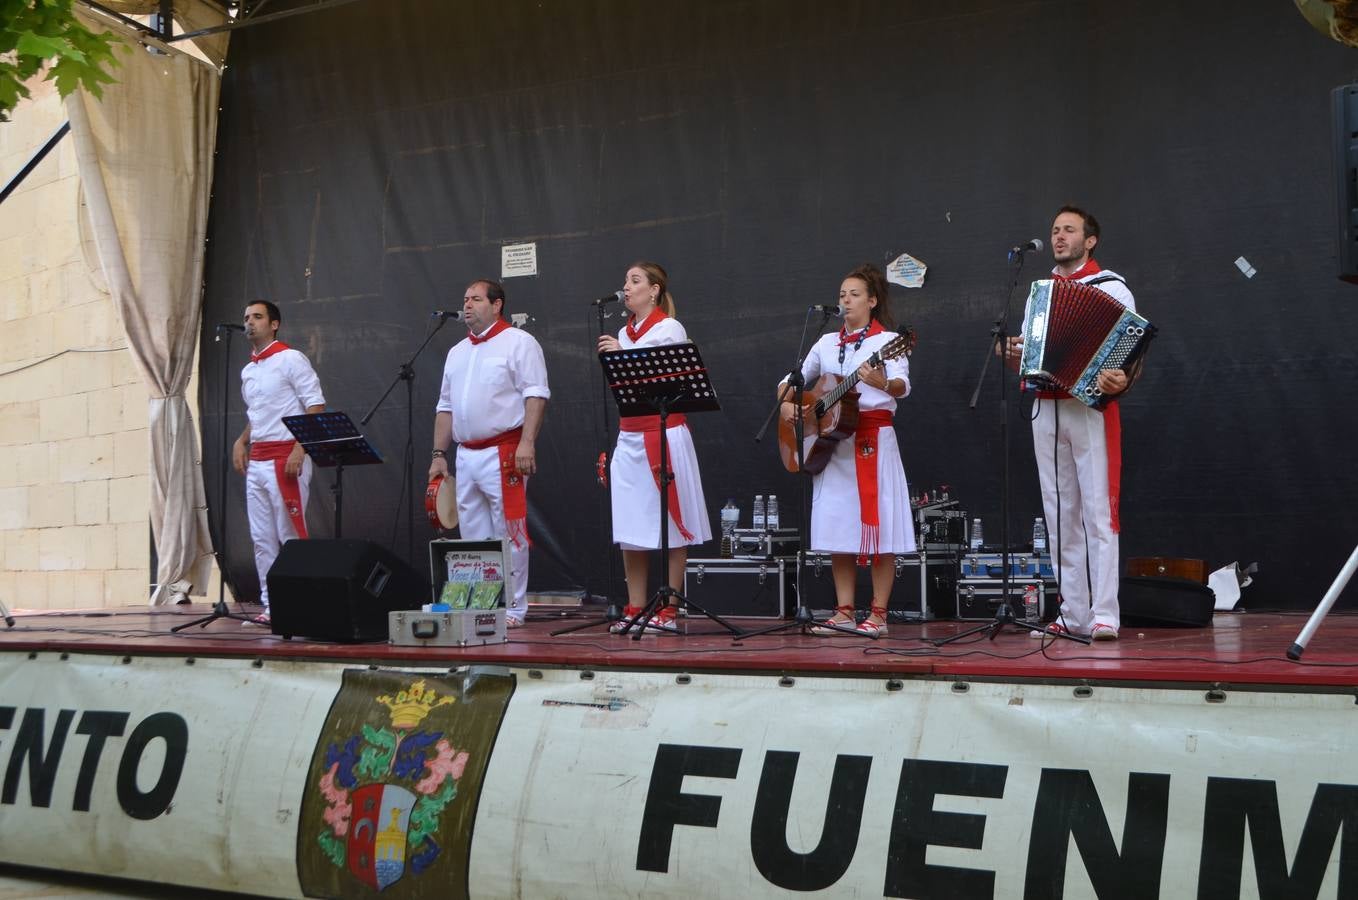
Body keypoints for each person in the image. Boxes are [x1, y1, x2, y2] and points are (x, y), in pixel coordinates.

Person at [1004, 205, 1138, 641]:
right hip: (1046, 404)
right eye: (1055, 230)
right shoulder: (1040, 292)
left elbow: (1129, 353)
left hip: (1089, 409)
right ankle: (1073, 612)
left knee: (1098, 513)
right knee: (1059, 513)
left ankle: (1105, 614)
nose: (1059, 237)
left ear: (1090, 240)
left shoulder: (1112, 287)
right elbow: (1032, 354)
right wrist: (1015, 357)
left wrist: (1118, 377)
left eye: (1068, 230)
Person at [779, 263, 915, 636]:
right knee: (840, 527)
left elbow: (902, 385)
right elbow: (792, 382)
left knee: (879, 527)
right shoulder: (825, 343)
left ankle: (879, 614)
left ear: (872, 301)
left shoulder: (886, 342)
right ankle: (843, 611)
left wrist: (883, 382)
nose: (846, 300)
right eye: (842, 294)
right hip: (832, 445)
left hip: (873, 440)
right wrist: (789, 403)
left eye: (854, 294)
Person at [597, 262, 713, 633]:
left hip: (664, 432)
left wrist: (622, 356)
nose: (626, 288)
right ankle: (635, 605)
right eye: (625, 280)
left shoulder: (668, 328)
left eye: (635, 281)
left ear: (655, 290)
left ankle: (670, 606)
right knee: (632, 523)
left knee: (671, 522)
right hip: (630, 433)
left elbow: (664, 379)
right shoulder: (623, 331)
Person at [429, 279, 549, 628]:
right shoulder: (456, 352)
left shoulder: (519, 342)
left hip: (504, 451)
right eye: (465, 299)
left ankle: (512, 607)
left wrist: (527, 442)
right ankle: (481, 601)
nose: (467, 305)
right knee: (472, 533)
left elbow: (536, 395)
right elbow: (445, 407)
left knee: (508, 531)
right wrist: (439, 453)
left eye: (476, 299)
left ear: (497, 305)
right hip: (466, 454)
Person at [232, 300, 325, 626]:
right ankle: (272, 607)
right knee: (261, 537)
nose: (249, 322)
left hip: (285, 455)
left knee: (290, 535)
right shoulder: (249, 369)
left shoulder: (291, 359)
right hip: (257, 458)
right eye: (246, 317)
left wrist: (302, 448)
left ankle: (299, 605)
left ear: (274, 324)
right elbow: (256, 415)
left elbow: (315, 405)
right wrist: (243, 439)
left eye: (257, 317)